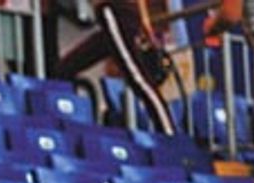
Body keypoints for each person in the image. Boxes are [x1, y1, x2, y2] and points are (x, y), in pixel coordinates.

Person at [45, 0, 179, 134]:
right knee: (65, 68)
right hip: (119, 13)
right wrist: (144, 20)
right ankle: (63, 120)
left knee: (138, 78)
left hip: (115, 10)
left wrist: (144, 20)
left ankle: (168, 131)